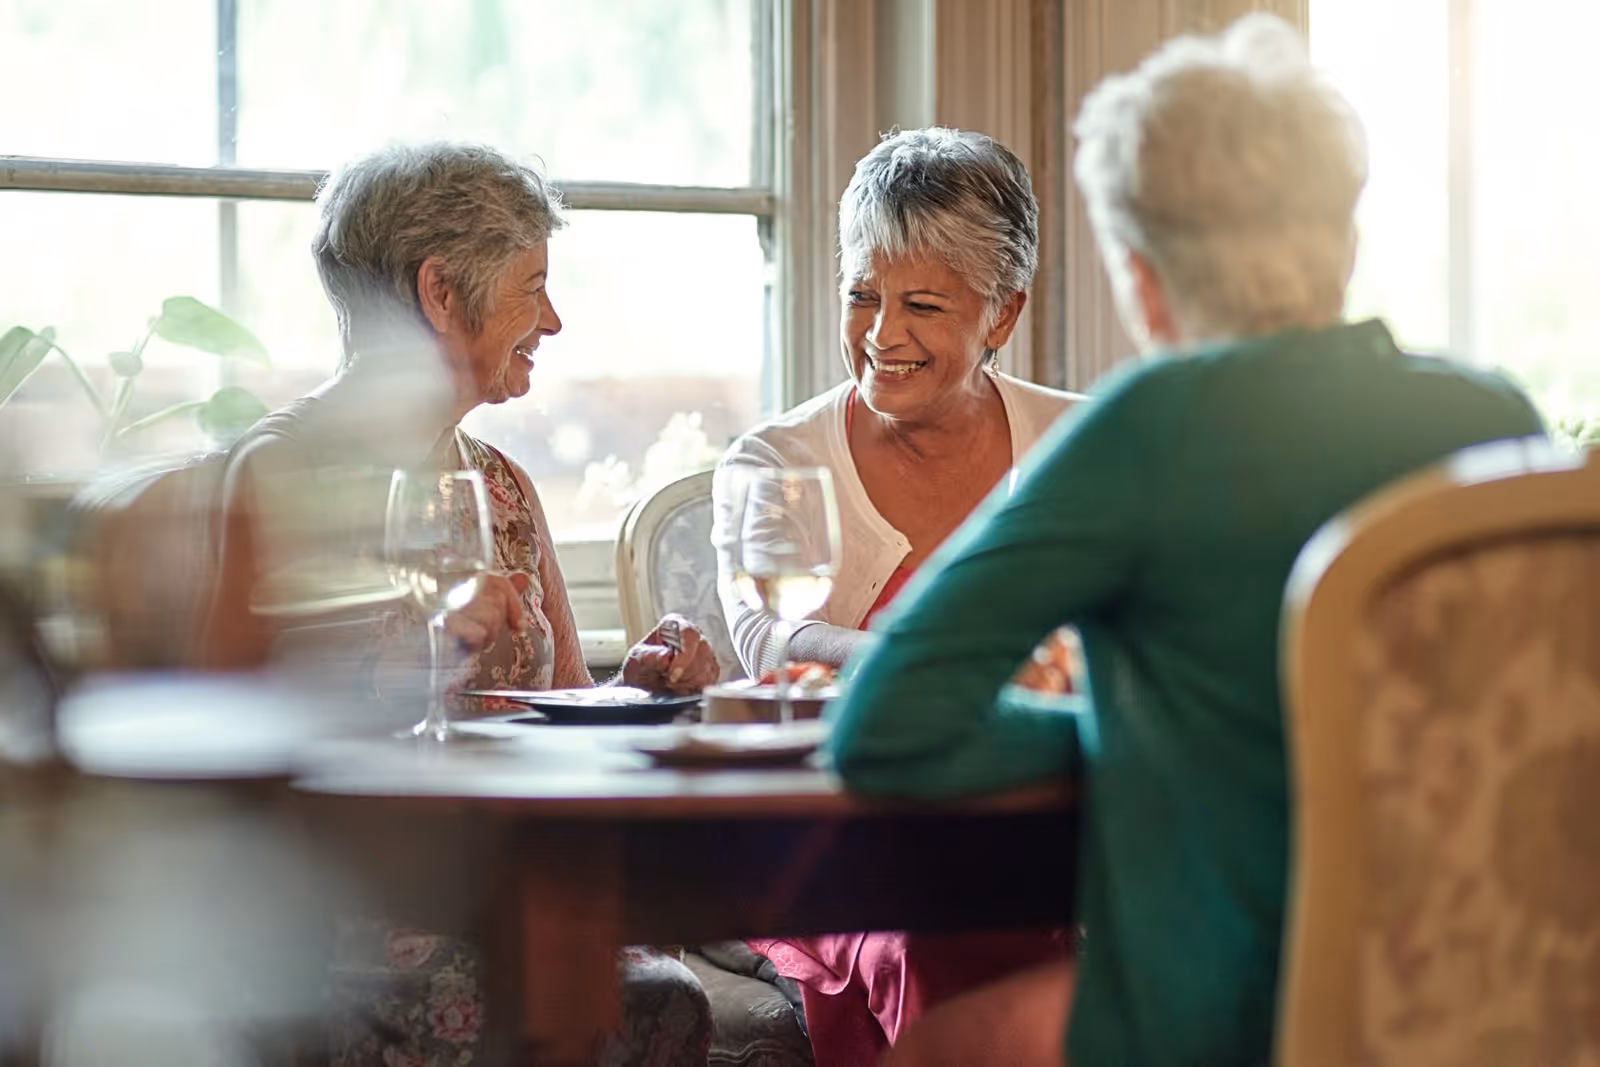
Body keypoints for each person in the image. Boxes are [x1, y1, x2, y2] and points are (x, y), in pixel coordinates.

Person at [830, 16, 1547, 1067]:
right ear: (1342, 240)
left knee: (942, 1045)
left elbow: (884, 726)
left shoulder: (1146, 426)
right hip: (1482, 998)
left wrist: (1133, 742)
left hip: (1223, 1016)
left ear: (1140, 276)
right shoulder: (1494, 417)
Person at [205, 142, 718, 1066]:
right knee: (633, 998)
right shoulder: (282, 475)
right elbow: (242, 747)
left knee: (658, 994)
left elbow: (564, 705)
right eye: (532, 287)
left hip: (504, 884)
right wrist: (422, 658)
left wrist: (638, 687)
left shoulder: (503, 488)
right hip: (340, 909)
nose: (553, 320)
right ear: (441, 291)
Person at [710, 127, 1081, 1065]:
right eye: (862, 295)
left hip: (1034, 821)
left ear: (1002, 313)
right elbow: (767, 636)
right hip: (831, 833)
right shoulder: (777, 461)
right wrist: (936, 665)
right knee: (934, 933)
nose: (881, 335)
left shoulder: (1079, 444)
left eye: (921, 303)